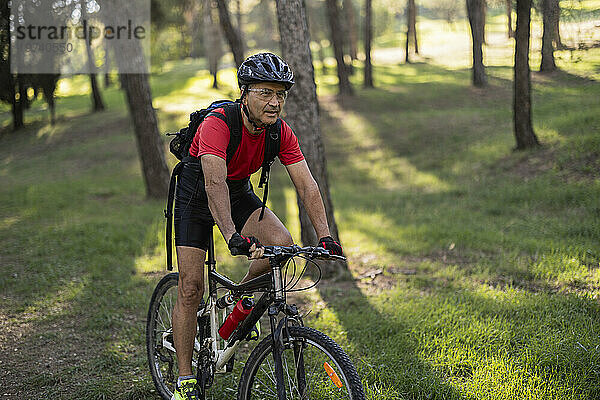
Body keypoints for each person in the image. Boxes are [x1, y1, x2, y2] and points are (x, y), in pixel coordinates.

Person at [171, 52, 343, 400]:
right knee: (191, 287)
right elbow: (213, 185)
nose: (275, 102)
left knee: (281, 243)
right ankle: (185, 379)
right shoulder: (218, 123)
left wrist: (326, 236)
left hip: (236, 191)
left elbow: (307, 185)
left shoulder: (279, 133)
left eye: (281, 94)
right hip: (196, 194)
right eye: (266, 92)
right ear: (245, 93)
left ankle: (238, 301)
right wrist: (231, 236)